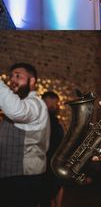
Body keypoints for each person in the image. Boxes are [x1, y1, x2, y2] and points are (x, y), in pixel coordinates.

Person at [0, 63, 50, 207]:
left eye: (18, 76)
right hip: (11, 177)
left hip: (24, 178)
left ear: (32, 81)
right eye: (11, 76)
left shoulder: (35, 103)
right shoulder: (21, 103)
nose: (12, 80)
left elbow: (17, 111)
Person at [40, 91, 65, 207]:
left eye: (55, 105)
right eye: (50, 106)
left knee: (58, 186)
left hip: (56, 161)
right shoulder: (39, 122)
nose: (54, 108)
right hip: (43, 163)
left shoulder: (57, 122)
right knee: (44, 193)